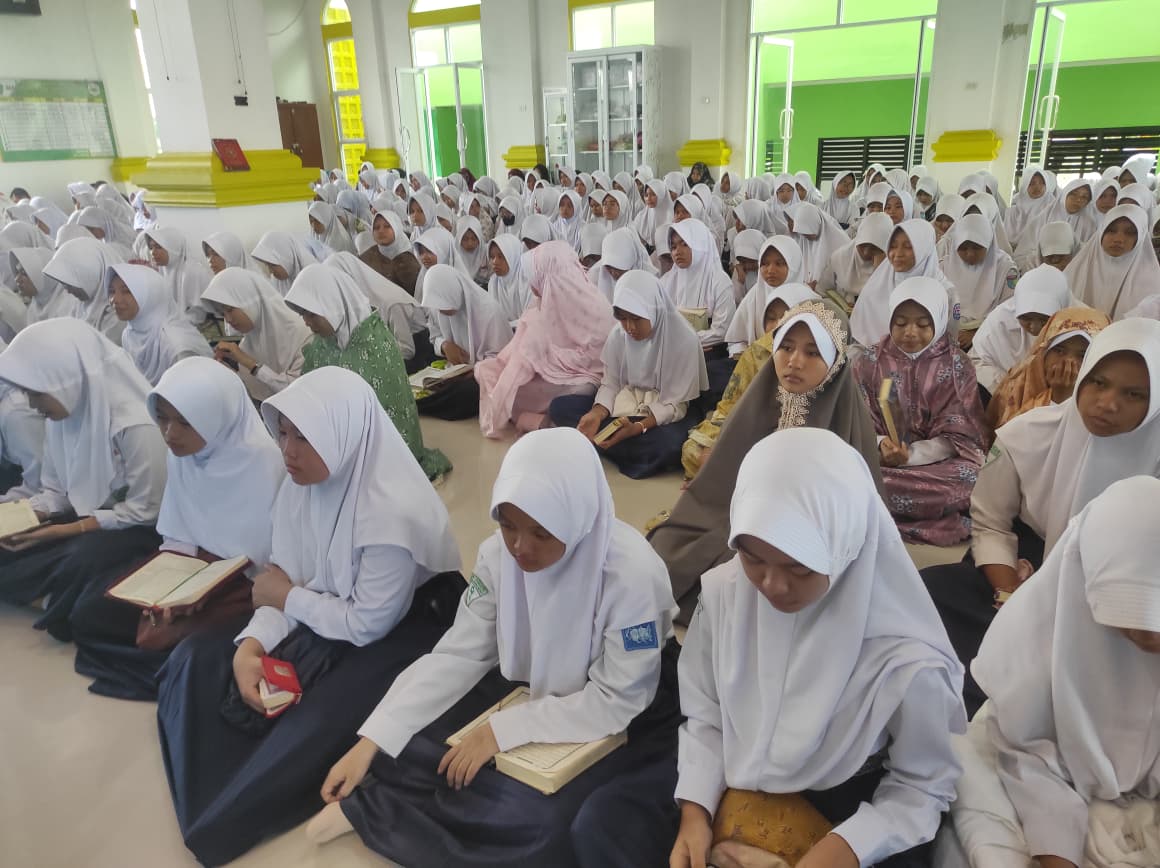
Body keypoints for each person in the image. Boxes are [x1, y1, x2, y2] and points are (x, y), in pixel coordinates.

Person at [307, 427, 682, 867]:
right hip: (534, 686)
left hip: (629, 713)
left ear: (578, 519)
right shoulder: (497, 557)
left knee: (543, 824)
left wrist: (500, 733)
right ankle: (387, 804)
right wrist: (370, 742)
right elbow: (460, 653)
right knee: (408, 744)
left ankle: (383, 813)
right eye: (507, 525)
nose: (520, 547)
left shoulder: (632, 576)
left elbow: (616, 700)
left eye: (542, 533)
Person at [155, 367, 464, 867]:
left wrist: (288, 599)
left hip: (403, 629)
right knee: (198, 659)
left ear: (342, 435)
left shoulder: (392, 512)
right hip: (326, 612)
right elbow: (281, 581)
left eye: (304, 437)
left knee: (314, 722)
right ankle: (213, 779)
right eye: (283, 433)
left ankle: (232, 812)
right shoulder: (299, 488)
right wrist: (251, 647)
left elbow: (364, 624)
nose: (288, 451)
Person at [669, 428, 965, 868]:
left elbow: (923, 783)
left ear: (844, 546)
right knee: (608, 819)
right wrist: (695, 812)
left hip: (849, 803)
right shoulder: (726, 594)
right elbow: (707, 715)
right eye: (753, 559)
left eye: (800, 568)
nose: (772, 586)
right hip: (735, 776)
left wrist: (844, 848)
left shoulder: (905, 659)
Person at [921, 317, 1160, 714]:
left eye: (1134, 394)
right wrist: (1009, 594)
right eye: (1099, 383)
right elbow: (991, 522)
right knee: (931, 594)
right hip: (1024, 570)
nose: (1107, 403)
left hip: (1115, 599)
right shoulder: (1026, 435)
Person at [953, 476, 1160, 868]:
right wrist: (1058, 850)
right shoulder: (1038, 648)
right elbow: (1027, 751)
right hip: (1034, 771)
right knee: (974, 798)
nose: (1148, 636)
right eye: (1127, 611)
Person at [68, 357, 286, 700]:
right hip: (189, 570)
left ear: (216, 417)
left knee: (193, 654)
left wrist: (204, 591)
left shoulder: (267, 465)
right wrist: (170, 591)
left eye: (185, 422)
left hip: (246, 585)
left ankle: (175, 671)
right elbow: (178, 533)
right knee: (88, 612)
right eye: (162, 419)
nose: (170, 434)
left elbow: (271, 563)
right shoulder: (183, 454)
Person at [649, 299, 880, 621]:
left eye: (813, 352)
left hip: (808, 538)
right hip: (739, 517)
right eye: (786, 347)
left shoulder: (848, 420)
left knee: (776, 580)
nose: (794, 362)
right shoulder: (759, 397)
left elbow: (854, 519)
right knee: (668, 554)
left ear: (835, 359)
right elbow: (717, 487)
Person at [0, 319, 166, 644]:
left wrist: (65, 530)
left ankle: (61, 595)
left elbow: (146, 512)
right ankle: (54, 593)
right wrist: (23, 518)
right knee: (15, 543)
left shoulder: (135, 425)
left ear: (66, 379)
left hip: (138, 528)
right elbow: (56, 492)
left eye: (36, 393)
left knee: (79, 558)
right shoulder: (63, 415)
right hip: (86, 515)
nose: (32, 405)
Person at [854, 278, 987, 546]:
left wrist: (910, 456)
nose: (910, 332)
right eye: (901, 323)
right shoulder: (869, 362)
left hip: (936, 464)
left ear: (938, 321)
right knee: (850, 474)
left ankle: (875, 514)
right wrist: (881, 446)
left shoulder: (957, 365)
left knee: (972, 479)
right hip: (880, 461)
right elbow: (856, 420)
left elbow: (960, 435)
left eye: (923, 324)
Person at [285, 264, 450, 479]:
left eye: (311, 314)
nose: (306, 322)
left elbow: (394, 413)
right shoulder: (321, 345)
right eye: (302, 315)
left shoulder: (376, 345)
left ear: (333, 306)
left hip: (377, 450)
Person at [550, 270, 707, 479]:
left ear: (653, 309)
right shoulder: (619, 335)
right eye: (623, 319)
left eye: (636, 318)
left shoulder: (684, 340)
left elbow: (676, 404)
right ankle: (616, 441)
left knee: (668, 444)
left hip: (666, 412)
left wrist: (639, 427)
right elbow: (611, 383)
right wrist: (597, 413)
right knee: (560, 407)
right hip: (624, 406)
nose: (630, 327)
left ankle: (606, 442)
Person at [682, 283, 821, 480]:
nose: (777, 324)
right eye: (770, 318)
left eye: (786, 315)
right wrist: (714, 442)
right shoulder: (757, 352)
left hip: (799, 438)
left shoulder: (820, 358)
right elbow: (729, 406)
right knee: (695, 449)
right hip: (751, 428)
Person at [476, 241, 612, 437]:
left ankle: (539, 421)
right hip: (562, 377)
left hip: (588, 384)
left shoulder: (593, 308)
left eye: (535, 279)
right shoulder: (547, 301)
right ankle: (540, 420)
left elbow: (599, 361)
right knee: (495, 375)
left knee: (560, 400)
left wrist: (541, 356)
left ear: (548, 279)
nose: (532, 286)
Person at [985, 306, 1109, 431]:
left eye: (1082, 355)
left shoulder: (1106, 401)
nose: (1068, 362)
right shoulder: (1017, 383)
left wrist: (1063, 399)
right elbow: (1007, 436)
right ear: (1044, 351)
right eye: (1059, 350)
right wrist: (1054, 399)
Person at [201, 267, 314, 401]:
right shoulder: (250, 339)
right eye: (222, 314)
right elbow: (256, 391)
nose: (228, 319)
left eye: (230, 309)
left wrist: (250, 364)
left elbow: (297, 393)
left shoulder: (303, 333)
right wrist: (229, 372)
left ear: (250, 302)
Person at [417, 264, 512, 421]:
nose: (442, 312)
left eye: (445, 304)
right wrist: (444, 345)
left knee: (468, 391)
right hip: (454, 369)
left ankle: (424, 405)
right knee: (424, 363)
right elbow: (434, 336)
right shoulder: (437, 307)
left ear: (455, 292)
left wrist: (474, 371)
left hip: (485, 375)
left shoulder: (489, 312)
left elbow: (501, 359)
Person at [969, 264, 1073, 396]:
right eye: (1026, 318)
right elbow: (976, 361)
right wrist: (1010, 385)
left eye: (1044, 320)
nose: (1034, 327)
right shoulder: (1001, 321)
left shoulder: (1078, 325)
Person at [850, 220, 953, 347]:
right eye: (893, 246)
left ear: (924, 250)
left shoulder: (945, 293)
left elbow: (948, 343)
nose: (898, 254)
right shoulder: (877, 285)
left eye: (908, 247)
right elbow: (859, 334)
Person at [324, 251, 431, 371]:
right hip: (391, 364)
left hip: (420, 363)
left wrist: (372, 366)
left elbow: (407, 351)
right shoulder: (361, 306)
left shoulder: (392, 303)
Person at [108, 263, 213, 386]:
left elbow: (191, 392)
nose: (114, 299)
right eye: (111, 291)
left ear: (149, 296)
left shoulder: (176, 347)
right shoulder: (129, 334)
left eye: (126, 291)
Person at [1065, 204, 1160, 319]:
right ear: (1101, 231)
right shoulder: (1078, 268)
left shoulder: (1153, 285)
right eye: (1111, 230)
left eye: (1130, 233)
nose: (1118, 239)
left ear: (1141, 237)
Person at [662, 219, 736, 362]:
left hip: (709, 353)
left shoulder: (719, 281)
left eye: (685, 244)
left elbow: (722, 331)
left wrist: (690, 342)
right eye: (673, 246)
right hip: (674, 348)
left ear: (700, 244)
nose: (677, 252)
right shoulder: (667, 281)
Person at [939, 213, 1018, 342]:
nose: (970, 254)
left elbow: (1010, 310)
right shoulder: (944, 267)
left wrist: (977, 334)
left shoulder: (1006, 269)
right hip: (947, 334)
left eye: (977, 247)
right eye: (963, 248)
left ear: (988, 243)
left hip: (991, 334)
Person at [725, 237, 806, 357]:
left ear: (794, 265)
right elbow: (736, 340)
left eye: (779, 264)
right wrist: (744, 353)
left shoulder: (807, 300)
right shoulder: (754, 296)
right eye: (765, 264)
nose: (770, 270)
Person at [41, 236, 126, 343]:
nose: (68, 291)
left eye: (70, 284)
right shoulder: (80, 306)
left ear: (90, 275)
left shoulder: (121, 313)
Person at [816, 212, 892, 306]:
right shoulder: (840, 258)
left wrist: (880, 270)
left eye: (874, 248)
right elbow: (823, 290)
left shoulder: (893, 264)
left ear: (885, 246)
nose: (866, 252)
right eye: (862, 245)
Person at [144, 228, 214, 326]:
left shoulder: (193, 271)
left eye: (158, 247)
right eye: (151, 247)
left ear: (173, 248)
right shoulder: (163, 269)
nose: (153, 252)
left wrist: (172, 324)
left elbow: (199, 314)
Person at [9, 246, 81, 324]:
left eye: (24, 273)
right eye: (17, 272)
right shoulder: (34, 307)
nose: (17, 279)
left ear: (43, 276)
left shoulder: (69, 304)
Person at [787, 202, 850, 289]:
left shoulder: (841, 241)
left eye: (807, 231)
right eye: (802, 232)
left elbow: (845, 276)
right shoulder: (804, 239)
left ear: (816, 223)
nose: (805, 236)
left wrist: (819, 285)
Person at [360, 208, 421, 296]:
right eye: (376, 228)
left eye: (387, 226)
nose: (381, 231)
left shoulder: (408, 259)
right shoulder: (368, 257)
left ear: (396, 228)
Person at [589, 226, 656, 303]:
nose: (613, 273)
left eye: (618, 267)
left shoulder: (650, 282)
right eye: (608, 267)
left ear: (632, 261)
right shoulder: (593, 279)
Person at [251, 231, 319, 297]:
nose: (270, 272)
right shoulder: (277, 281)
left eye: (272, 265)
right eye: (267, 265)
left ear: (286, 259)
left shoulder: (315, 279)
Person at [486, 234, 533, 326]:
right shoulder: (493, 282)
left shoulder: (528, 281)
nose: (494, 262)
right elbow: (493, 316)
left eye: (501, 257)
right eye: (492, 257)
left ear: (513, 256)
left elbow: (531, 319)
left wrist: (505, 326)